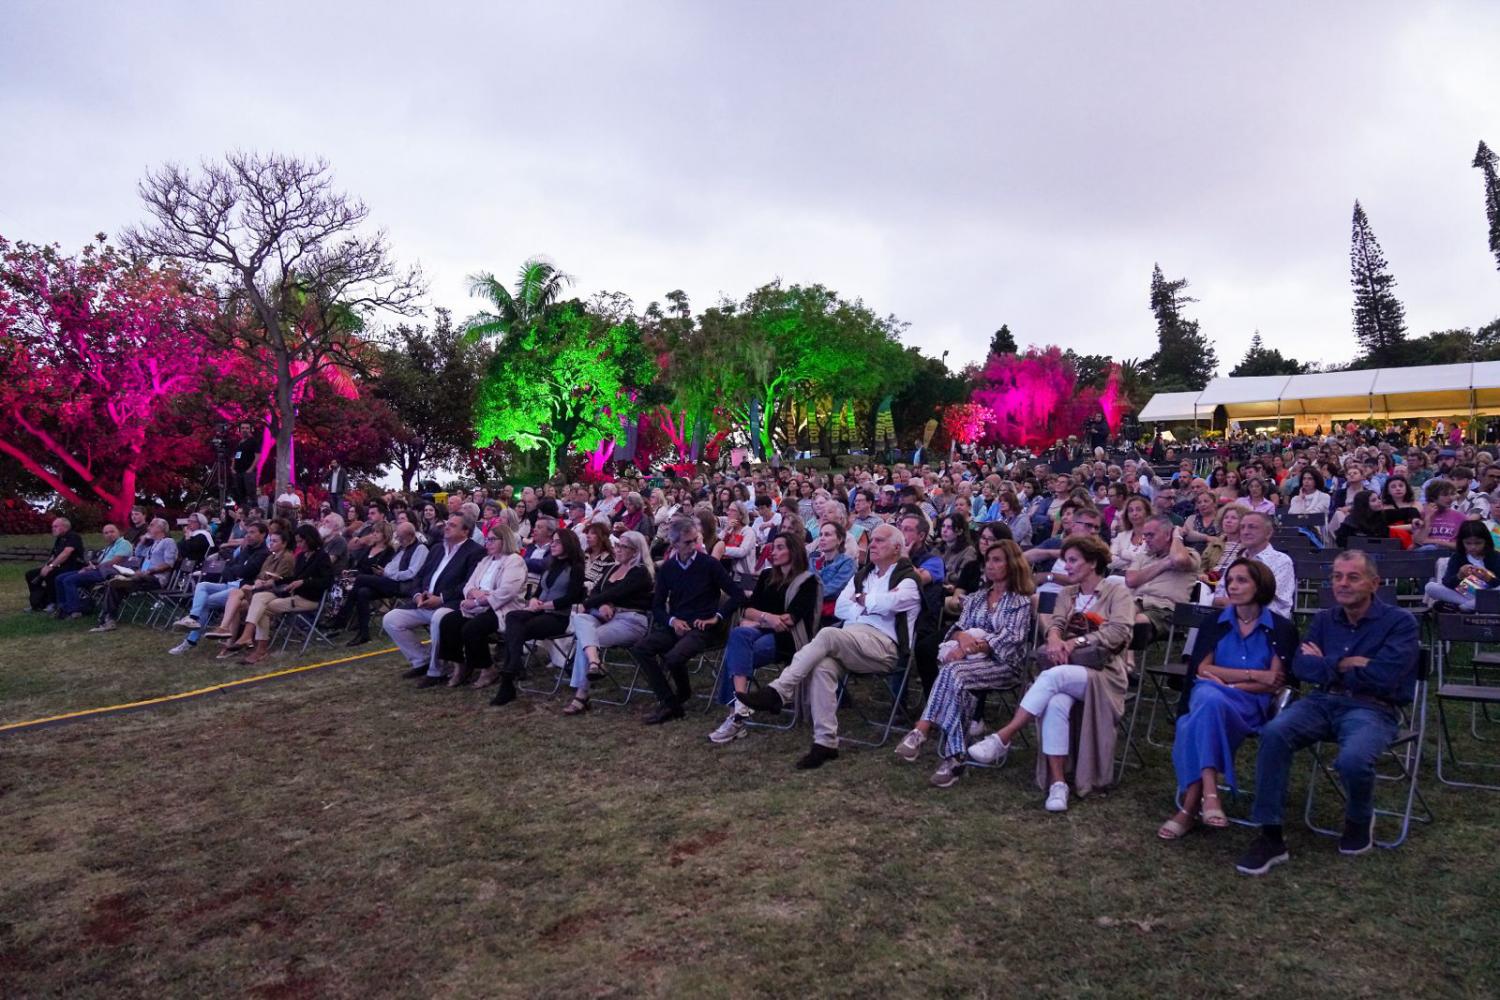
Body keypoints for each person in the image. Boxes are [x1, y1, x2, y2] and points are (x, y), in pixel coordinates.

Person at [1236, 551, 1420, 875]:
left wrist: (1326, 663)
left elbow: (1386, 677)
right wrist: (1345, 663)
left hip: (1374, 708)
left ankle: (1359, 819)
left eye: (1352, 577)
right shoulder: (1324, 619)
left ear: (1374, 583)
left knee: (1351, 760)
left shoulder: (1399, 623)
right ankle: (1270, 836)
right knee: (1274, 734)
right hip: (1323, 701)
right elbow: (1302, 666)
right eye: (1337, 576)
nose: (1342, 584)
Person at [967, 534, 1132, 810]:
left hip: (1103, 673)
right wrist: (1055, 638)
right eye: (1065, 561)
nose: (1066, 567)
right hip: (1066, 668)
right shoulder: (1068, 594)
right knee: (1055, 701)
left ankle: (1004, 736)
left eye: (1072, 561)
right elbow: (1055, 623)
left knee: (1051, 678)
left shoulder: (1117, 591)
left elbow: (1119, 631)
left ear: (1092, 562)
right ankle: (1058, 784)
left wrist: (1075, 641)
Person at [739, 523, 921, 770]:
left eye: (879, 541)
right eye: (873, 540)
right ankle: (825, 743)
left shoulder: (908, 579)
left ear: (897, 548)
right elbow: (840, 608)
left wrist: (862, 600)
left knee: (827, 634)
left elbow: (892, 603)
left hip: (884, 647)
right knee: (823, 665)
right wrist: (867, 604)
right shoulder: (863, 575)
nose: (872, 545)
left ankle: (779, 692)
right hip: (851, 640)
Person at [1158, 559, 1297, 840]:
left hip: (1251, 705)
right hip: (1214, 699)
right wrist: (1252, 675)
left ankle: (1189, 808)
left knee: (1199, 714)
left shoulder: (1281, 628)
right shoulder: (1214, 623)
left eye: (1242, 580)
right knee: (1208, 700)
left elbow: (1275, 684)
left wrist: (1229, 681)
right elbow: (1201, 669)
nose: (1233, 586)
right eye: (1230, 580)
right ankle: (1209, 794)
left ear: (1261, 585)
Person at [894, 540, 1037, 787]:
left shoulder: (1020, 602)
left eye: (997, 560)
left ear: (1012, 564)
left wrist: (975, 645)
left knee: (953, 673)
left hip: (1004, 666)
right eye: (988, 560)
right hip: (968, 664)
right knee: (956, 678)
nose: (990, 566)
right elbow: (957, 628)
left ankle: (922, 729)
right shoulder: (978, 598)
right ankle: (955, 759)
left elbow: (1011, 639)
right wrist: (962, 640)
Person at [707, 532, 821, 744]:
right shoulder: (767, 576)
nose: (773, 552)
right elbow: (747, 611)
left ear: (793, 551)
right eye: (773, 547)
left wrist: (760, 619)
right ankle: (740, 706)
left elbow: (789, 621)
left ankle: (736, 717)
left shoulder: (808, 582)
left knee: (735, 651)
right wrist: (767, 618)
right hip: (759, 633)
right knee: (739, 635)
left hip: (788, 640)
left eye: (779, 548)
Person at [629, 516, 745, 724]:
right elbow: (657, 605)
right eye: (688, 542)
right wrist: (672, 620)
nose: (694, 545)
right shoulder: (669, 568)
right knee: (641, 648)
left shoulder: (709, 564)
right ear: (674, 545)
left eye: (695, 540)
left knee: (673, 657)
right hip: (678, 624)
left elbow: (737, 594)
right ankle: (670, 702)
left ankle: (680, 697)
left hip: (704, 627)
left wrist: (716, 618)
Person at [422, 523, 528, 689]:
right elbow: (468, 585)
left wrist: (479, 599)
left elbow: (507, 591)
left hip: (502, 609)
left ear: (504, 540)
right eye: (487, 539)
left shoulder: (514, 560)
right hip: (478, 606)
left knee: (472, 628)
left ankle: (487, 668)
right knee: (448, 621)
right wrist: (475, 594)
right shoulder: (486, 560)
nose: (488, 543)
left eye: (493, 540)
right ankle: (460, 665)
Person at [489, 527, 587, 704]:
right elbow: (540, 590)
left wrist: (546, 605)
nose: (553, 545)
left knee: (519, 628)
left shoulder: (576, 568)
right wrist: (534, 600)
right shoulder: (550, 565)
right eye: (553, 541)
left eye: (558, 542)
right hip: (539, 611)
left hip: (557, 617)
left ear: (568, 544)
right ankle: (514, 667)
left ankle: (509, 676)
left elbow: (572, 597)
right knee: (512, 617)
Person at [563, 531, 655, 715]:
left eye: (623, 547)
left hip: (631, 620)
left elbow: (618, 592)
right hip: (604, 618)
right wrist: (602, 603)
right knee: (580, 619)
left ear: (635, 551)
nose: (617, 549)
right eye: (617, 545)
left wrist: (592, 603)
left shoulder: (641, 572)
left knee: (586, 638)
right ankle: (595, 662)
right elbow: (596, 592)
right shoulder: (611, 569)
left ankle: (581, 695)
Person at [383, 514, 485, 679]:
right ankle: (421, 660)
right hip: (424, 602)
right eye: (447, 523)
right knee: (391, 619)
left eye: (452, 525)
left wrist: (441, 598)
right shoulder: (437, 548)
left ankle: (436, 670)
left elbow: (468, 584)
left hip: (451, 604)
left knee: (439, 618)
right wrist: (417, 595)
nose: (446, 527)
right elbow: (419, 575)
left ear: (465, 531)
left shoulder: (475, 552)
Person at [168, 522, 270, 654]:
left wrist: (235, 570)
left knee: (204, 601)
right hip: (229, 584)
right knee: (202, 585)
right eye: (248, 532)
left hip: (241, 590)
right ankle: (193, 618)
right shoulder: (246, 550)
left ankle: (190, 640)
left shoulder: (263, 554)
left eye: (252, 532)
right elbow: (226, 568)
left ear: (263, 534)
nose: (248, 535)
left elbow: (247, 572)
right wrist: (235, 570)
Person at [337, 521, 430, 646]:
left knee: (360, 579)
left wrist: (390, 574)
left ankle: (342, 617)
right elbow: (391, 567)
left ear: (409, 535)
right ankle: (364, 634)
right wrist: (385, 572)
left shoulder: (420, 549)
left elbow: (412, 573)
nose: (397, 539)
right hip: (392, 582)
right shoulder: (403, 549)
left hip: (406, 586)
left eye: (400, 537)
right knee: (362, 592)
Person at [205, 528, 296, 656]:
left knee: (237, 595)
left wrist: (258, 584)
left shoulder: (287, 558)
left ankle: (227, 634)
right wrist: (258, 582)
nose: (271, 543)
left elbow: (279, 581)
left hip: (274, 594)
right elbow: (260, 575)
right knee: (235, 597)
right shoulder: (270, 557)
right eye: (271, 541)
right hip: (260, 591)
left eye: (275, 541)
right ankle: (227, 636)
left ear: (284, 543)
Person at [89, 518, 178, 633]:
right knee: (114, 586)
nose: (148, 528)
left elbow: (169, 564)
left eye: (151, 525)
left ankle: (125, 582)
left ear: (160, 528)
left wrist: (149, 571)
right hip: (141, 576)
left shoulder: (168, 542)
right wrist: (142, 541)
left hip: (156, 578)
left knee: (121, 582)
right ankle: (108, 620)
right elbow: (138, 553)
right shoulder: (154, 544)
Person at [1124, 515, 1202, 644]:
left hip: (1165, 611)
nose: (1146, 540)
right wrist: (1166, 563)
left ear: (1167, 535)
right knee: (1114, 616)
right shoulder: (1144, 557)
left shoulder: (1189, 554)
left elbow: (1178, 559)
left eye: (1151, 535)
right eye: (1145, 536)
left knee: (1132, 624)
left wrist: (1177, 535)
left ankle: (1126, 662)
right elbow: (1131, 580)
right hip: (1138, 603)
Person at [1213, 512, 1294, 619]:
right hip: (1229, 618)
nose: (1245, 532)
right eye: (1242, 527)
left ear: (1268, 533)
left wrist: (1231, 603)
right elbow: (1219, 594)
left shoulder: (1281, 561)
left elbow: (1267, 599)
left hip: (1269, 622)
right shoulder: (1237, 561)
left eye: (1252, 527)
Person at [53, 522, 132, 619]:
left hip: (107, 573)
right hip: (97, 570)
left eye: (112, 531)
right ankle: (62, 608)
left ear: (118, 532)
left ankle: (74, 611)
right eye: (106, 533)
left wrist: (94, 567)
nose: (109, 534)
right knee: (59, 578)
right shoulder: (109, 547)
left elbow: (115, 562)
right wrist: (90, 567)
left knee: (69, 580)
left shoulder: (124, 544)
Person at [1423, 520, 1500, 611]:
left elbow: (1497, 583)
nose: (1473, 547)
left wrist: (1487, 577)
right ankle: (1471, 606)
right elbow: (1447, 583)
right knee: (1430, 587)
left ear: (1486, 542)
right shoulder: (1458, 557)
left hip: (1489, 593)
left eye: (1478, 543)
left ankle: (1465, 607)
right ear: (1462, 542)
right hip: (1466, 592)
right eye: (1468, 543)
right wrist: (1460, 575)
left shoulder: (1495, 556)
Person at [27, 517, 85, 612]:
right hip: (58, 566)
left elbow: (66, 553)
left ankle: (54, 603)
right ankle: (38, 603)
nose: (53, 528)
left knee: (51, 574)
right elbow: (54, 555)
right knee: (31, 575)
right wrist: (46, 566)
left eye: (56, 526)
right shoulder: (59, 539)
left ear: (65, 527)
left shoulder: (73, 536)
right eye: (52, 526)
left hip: (72, 567)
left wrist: (51, 567)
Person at [810, 521, 856, 625]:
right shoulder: (813, 561)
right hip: (810, 608)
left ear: (839, 540)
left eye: (827, 535)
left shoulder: (847, 562)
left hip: (829, 616)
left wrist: (807, 594)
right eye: (821, 535)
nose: (822, 538)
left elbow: (833, 590)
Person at [1411, 479, 1465, 551]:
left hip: (1449, 555)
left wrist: (1436, 542)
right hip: (1425, 555)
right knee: (1429, 548)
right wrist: (1427, 519)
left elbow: (1463, 546)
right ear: (1433, 497)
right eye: (1445, 495)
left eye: (1452, 494)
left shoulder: (1461, 517)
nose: (1450, 498)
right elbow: (1419, 542)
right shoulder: (1421, 516)